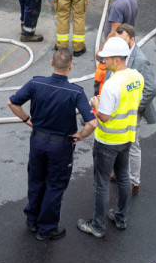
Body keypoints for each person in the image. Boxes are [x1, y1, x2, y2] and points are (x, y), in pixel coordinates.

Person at [7, 49, 96, 241]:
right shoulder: (76, 92)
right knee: (54, 186)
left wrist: (27, 120)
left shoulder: (36, 83)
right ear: (70, 67)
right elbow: (92, 123)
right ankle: (46, 228)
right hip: (61, 145)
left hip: (38, 141)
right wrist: (80, 135)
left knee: (36, 180)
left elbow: (12, 103)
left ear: (51, 63)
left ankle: (32, 220)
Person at [77, 36, 144, 238]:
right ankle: (121, 217)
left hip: (107, 141)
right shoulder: (136, 77)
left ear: (116, 59)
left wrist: (95, 104)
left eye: (106, 59)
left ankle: (97, 226)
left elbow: (104, 117)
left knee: (102, 183)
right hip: (127, 137)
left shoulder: (112, 85)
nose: (103, 62)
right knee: (123, 177)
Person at [115, 23, 156, 196]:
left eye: (123, 40)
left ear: (132, 40)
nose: (119, 44)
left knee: (132, 144)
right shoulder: (118, 53)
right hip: (119, 108)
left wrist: (135, 107)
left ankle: (134, 181)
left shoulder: (140, 60)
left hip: (131, 110)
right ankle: (118, 173)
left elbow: (151, 89)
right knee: (118, 141)